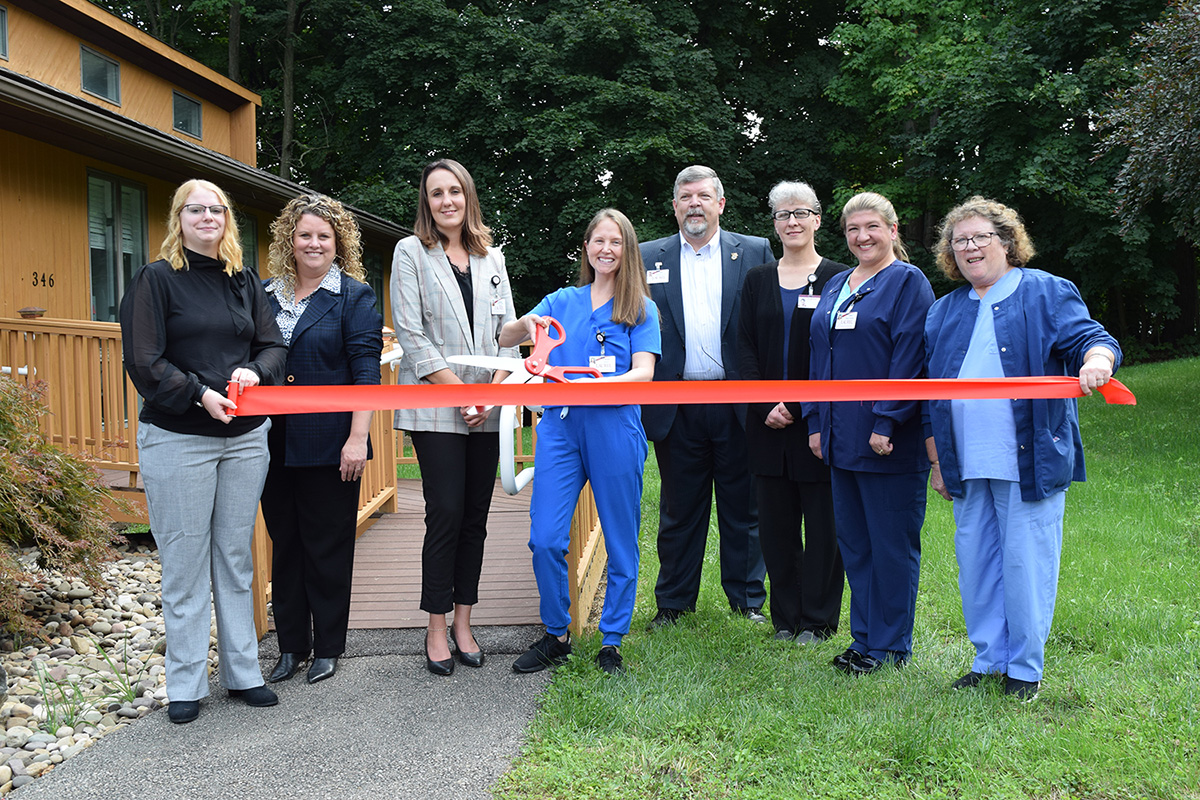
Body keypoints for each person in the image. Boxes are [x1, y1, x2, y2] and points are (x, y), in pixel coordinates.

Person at [925, 197, 1120, 701]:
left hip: (1029, 458)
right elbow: (930, 394)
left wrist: (1096, 361)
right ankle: (988, 660)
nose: (969, 247)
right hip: (965, 461)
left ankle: (1025, 671)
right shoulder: (944, 310)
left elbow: (1092, 340)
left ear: (1007, 241)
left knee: (1025, 564)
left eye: (979, 237)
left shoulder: (1048, 292)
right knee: (977, 566)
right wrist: (936, 460)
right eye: (959, 241)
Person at [120, 179, 287, 724]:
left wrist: (254, 371)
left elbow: (272, 346)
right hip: (179, 438)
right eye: (196, 209)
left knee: (234, 557)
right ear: (179, 217)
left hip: (244, 440)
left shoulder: (245, 281)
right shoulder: (157, 280)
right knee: (185, 563)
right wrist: (200, 393)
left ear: (227, 220)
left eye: (217, 209)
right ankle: (186, 683)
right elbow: (145, 361)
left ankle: (243, 673)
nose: (208, 217)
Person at [504, 209, 661, 675]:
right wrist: (524, 328)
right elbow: (508, 333)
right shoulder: (561, 300)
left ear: (627, 249)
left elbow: (645, 372)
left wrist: (599, 385)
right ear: (587, 248)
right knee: (545, 539)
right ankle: (556, 634)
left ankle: (611, 640)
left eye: (615, 242)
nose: (606, 249)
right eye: (598, 241)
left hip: (614, 427)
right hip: (559, 428)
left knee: (620, 539)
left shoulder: (640, 308)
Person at [391, 159, 518, 676]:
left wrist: (488, 396)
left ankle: (465, 620)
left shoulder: (492, 257)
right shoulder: (410, 252)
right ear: (427, 201)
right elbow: (411, 333)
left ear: (468, 197)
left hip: (485, 407)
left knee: (475, 518)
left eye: (454, 192)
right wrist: (463, 393)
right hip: (435, 406)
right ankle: (437, 626)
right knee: (444, 511)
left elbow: (509, 334)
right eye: (436, 193)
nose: (446, 201)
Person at [804, 191, 935, 675]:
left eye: (872, 227)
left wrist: (887, 419)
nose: (862, 237)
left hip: (887, 443)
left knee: (891, 545)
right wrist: (815, 421)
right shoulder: (838, 283)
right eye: (854, 229)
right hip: (840, 438)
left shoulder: (908, 283)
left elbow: (910, 357)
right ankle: (863, 640)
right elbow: (819, 357)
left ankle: (890, 646)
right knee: (856, 545)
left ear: (893, 230)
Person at [641, 165, 775, 630]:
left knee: (745, 508)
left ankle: (748, 602)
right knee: (679, 510)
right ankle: (674, 604)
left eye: (703, 196)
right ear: (674, 205)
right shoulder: (645, 256)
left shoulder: (756, 250)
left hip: (737, 401)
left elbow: (767, 324)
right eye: (685, 197)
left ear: (720, 203)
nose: (693, 204)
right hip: (674, 405)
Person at [260, 194, 383, 686]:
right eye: (305, 234)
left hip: (332, 443)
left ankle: (329, 646)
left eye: (324, 237)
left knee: (327, 546)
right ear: (290, 239)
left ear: (339, 244)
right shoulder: (264, 293)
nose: (313, 244)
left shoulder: (354, 297)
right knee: (285, 545)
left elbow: (366, 374)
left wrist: (358, 438)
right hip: (269, 443)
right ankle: (291, 646)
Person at [737, 181, 848, 644]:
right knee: (776, 528)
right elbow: (741, 346)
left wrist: (800, 404)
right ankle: (785, 616)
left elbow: (841, 353)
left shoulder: (840, 279)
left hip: (818, 423)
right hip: (766, 425)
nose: (793, 222)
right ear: (775, 224)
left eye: (802, 213)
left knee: (824, 527)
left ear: (818, 220)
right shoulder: (757, 279)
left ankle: (819, 620)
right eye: (783, 215)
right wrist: (765, 404)